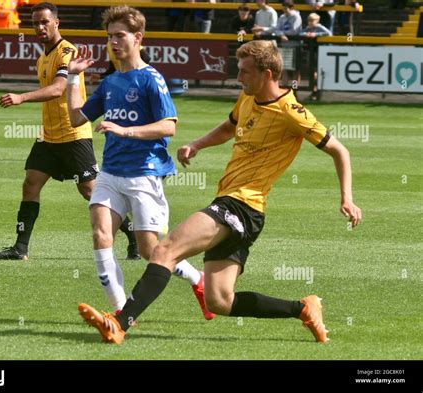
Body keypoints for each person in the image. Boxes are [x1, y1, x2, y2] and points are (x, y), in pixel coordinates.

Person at [77, 39, 363, 345]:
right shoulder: (247, 97)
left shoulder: (292, 112)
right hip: (241, 210)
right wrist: (198, 144)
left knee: (164, 250)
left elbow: (339, 150)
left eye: (245, 72)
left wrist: (346, 198)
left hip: (241, 205)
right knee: (219, 301)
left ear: (267, 74)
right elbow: (230, 126)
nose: (238, 78)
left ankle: (119, 323)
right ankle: (303, 308)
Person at [66, 6, 215, 320]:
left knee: (151, 251)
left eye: (120, 35)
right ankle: (120, 314)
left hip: (144, 175)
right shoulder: (109, 83)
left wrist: (125, 130)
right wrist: (72, 78)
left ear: (138, 38)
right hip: (109, 173)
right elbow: (76, 117)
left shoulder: (152, 79)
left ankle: (198, 280)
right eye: (109, 37)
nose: (114, 42)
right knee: (100, 235)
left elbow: (168, 126)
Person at [0, 2, 139, 261]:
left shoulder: (67, 51)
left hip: (73, 133)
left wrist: (21, 97)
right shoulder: (42, 57)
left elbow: (58, 89)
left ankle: (134, 236)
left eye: (45, 22)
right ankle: (20, 248)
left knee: (91, 192)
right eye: (35, 23)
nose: (39, 27)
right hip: (48, 135)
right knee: (30, 184)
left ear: (56, 22)